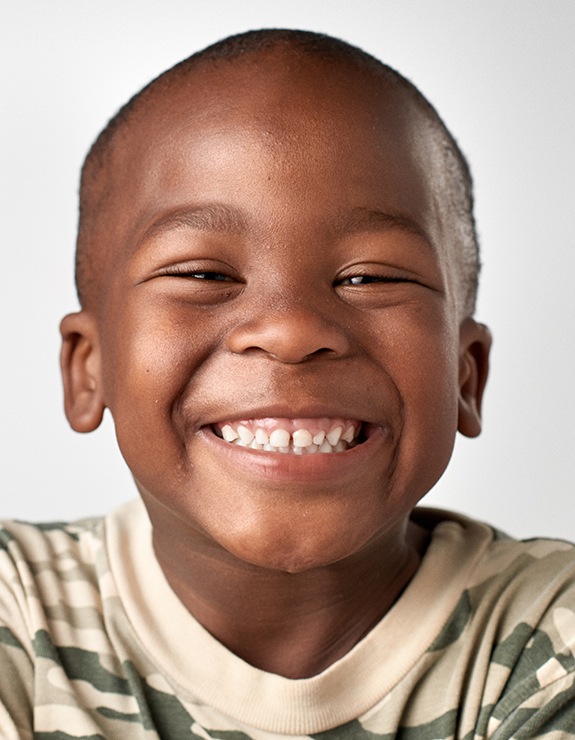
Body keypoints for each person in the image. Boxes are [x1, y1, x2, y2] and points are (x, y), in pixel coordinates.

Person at [1, 27, 574, 739]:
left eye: (369, 277)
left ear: (466, 375)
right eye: (203, 274)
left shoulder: (547, 636)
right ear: (89, 368)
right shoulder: (16, 615)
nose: (291, 329)